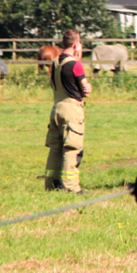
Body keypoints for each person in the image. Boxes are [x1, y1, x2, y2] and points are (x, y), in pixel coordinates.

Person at [44, 30, 92, 193]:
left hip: (56, 108)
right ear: (75, 45)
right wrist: (87, 88)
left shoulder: (55, 63)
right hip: (72, 110)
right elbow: (85, 89)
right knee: (72, 148)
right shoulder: (75, 64)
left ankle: (51, 184)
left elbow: (52, 84)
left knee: (55, 149)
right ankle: (71, 187)